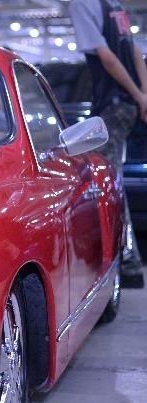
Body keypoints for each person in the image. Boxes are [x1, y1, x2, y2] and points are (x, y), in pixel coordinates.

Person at [70, 0, 145, 288]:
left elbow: (107, 58)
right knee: (112, 183)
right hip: (126, 106)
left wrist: (139, 96)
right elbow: (134, 51)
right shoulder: (112, 4)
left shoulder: (81, 5)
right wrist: (142, 96)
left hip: (112, 106)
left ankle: (128, 265)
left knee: (108, 187)